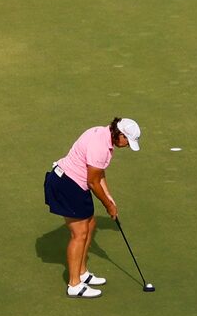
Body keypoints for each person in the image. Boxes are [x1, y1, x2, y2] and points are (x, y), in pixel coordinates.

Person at [43, 117, 139, 299]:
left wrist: (109, 197)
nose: (127, 145)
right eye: (127, 141)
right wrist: (108, 205)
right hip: (66, 184)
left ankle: (82, 272)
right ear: (120, 134)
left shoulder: (103, 134)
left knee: (91, 224)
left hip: (74, 183)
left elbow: (99, 172)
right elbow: (93, 182)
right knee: (79, 234)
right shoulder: (100, 147)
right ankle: (74, 284)